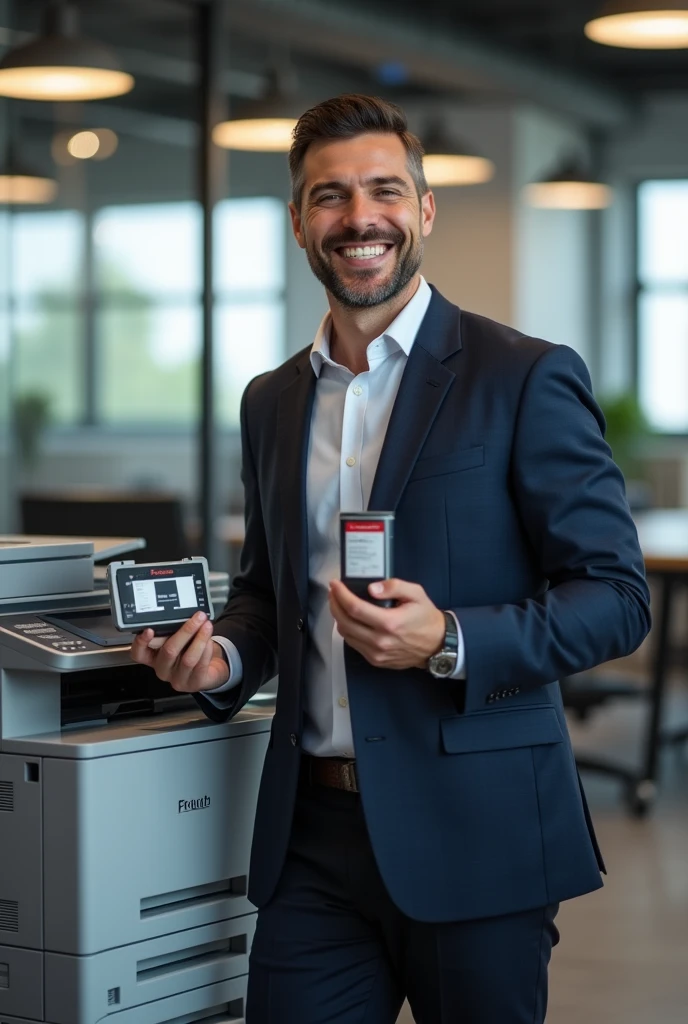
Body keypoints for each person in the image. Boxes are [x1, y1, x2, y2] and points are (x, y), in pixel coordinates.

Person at [131, 94, 651, 1023]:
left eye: (384, 191)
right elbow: (264, 593)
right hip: (312, 837)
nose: (358, 218)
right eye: (329, 196)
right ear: (298, 220)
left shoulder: (524, 375)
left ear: (423, 210)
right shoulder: (271, 402)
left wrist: (447, 639)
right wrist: (225, 658)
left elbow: (615, 598)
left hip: (478, 825)